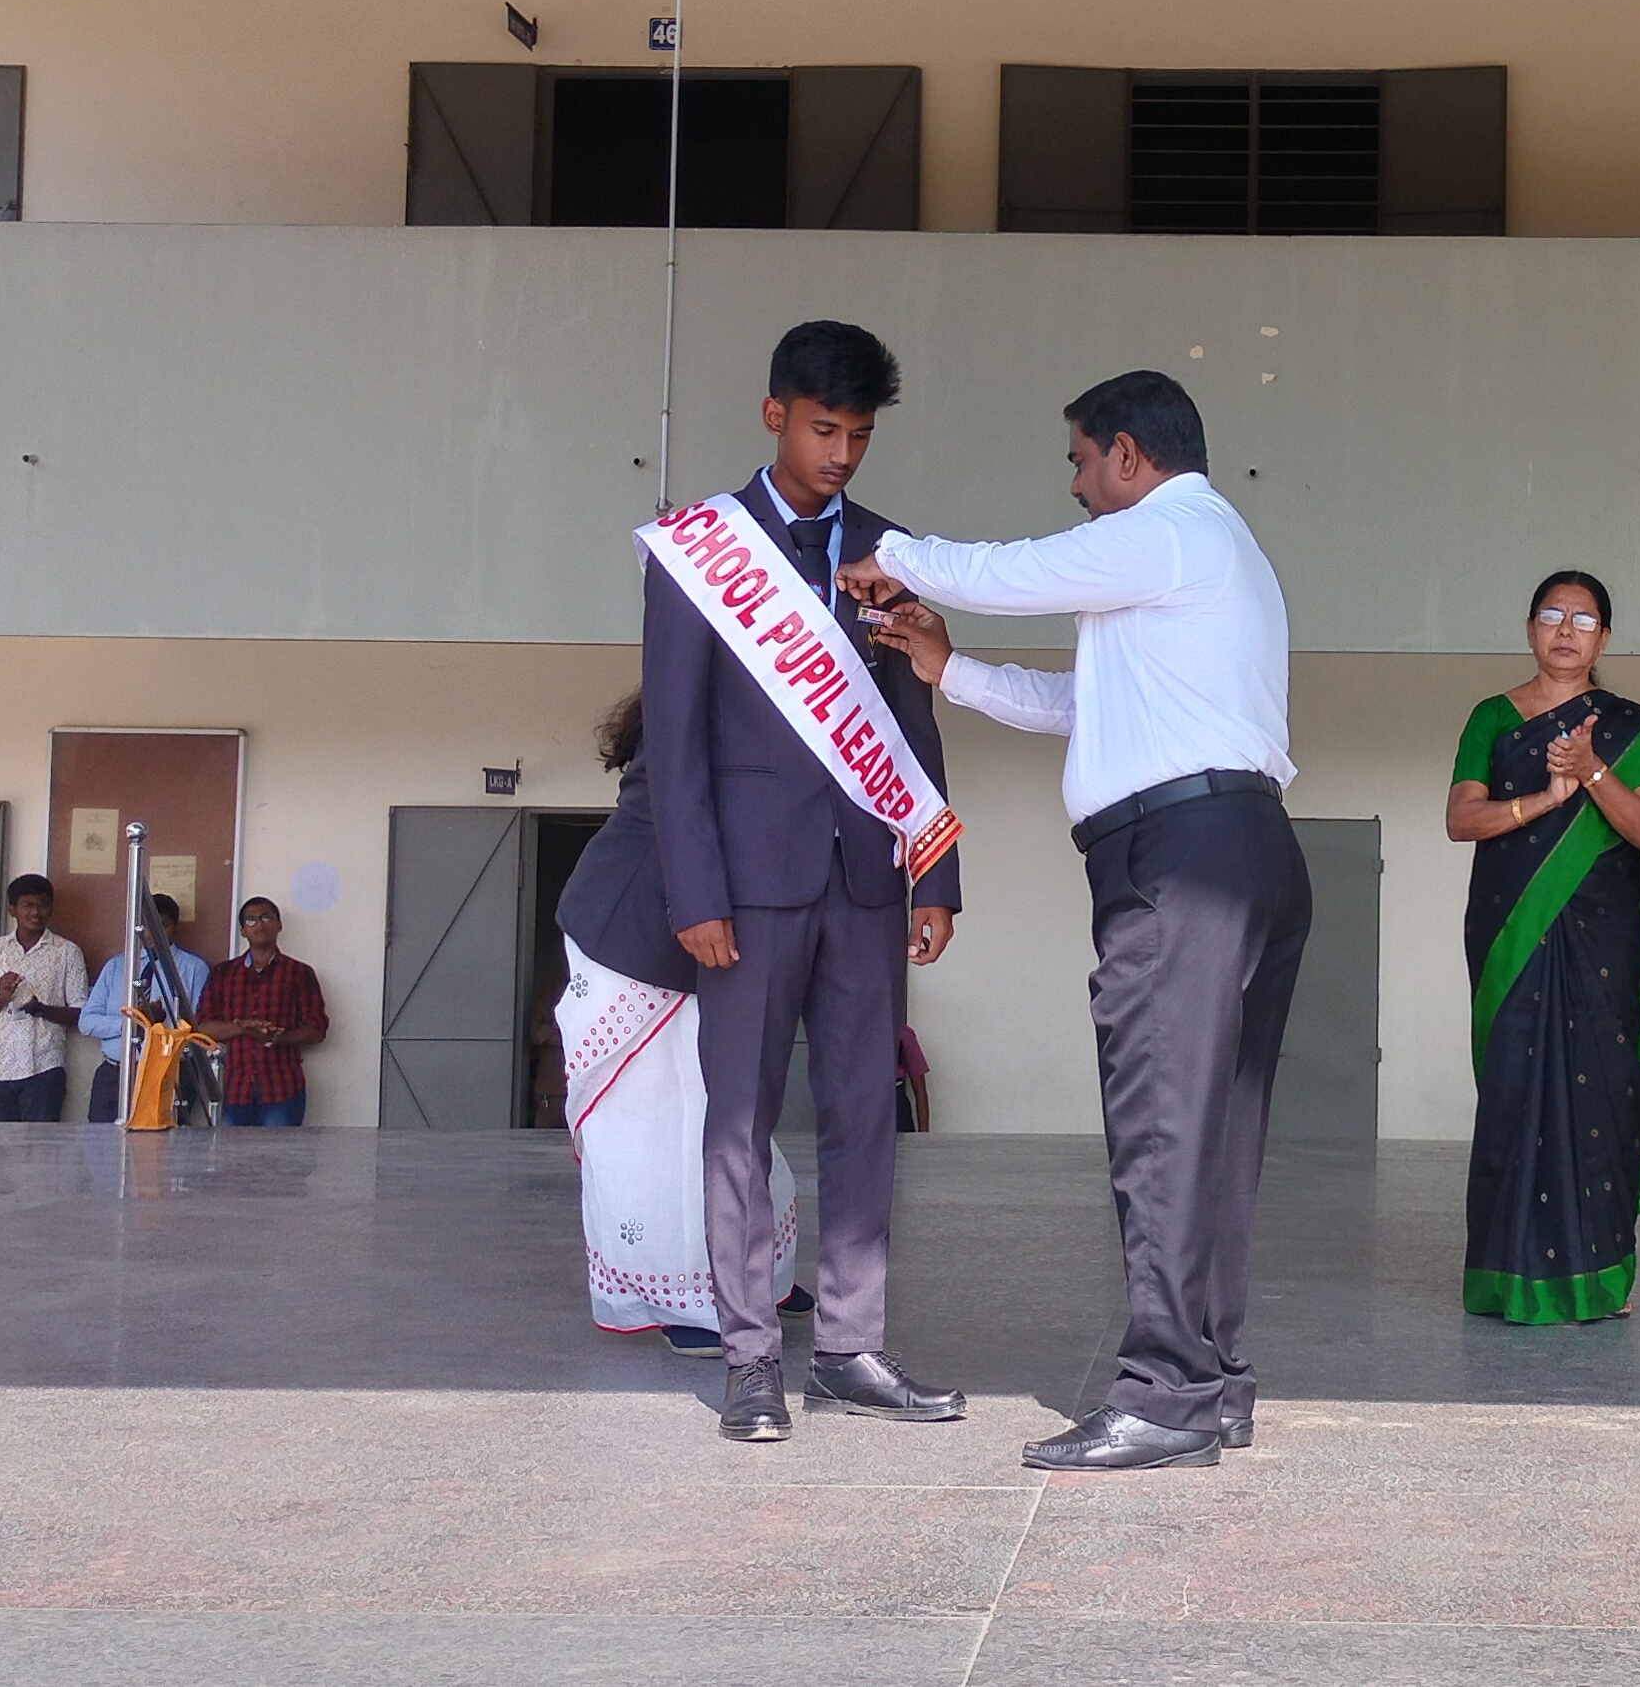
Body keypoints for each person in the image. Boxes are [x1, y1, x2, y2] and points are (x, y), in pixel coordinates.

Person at [854, 369, 1307, 1472]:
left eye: (1078, 461)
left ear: (1129, 455)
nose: (1074, 485)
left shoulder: (1168, 528)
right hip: (1243, 847)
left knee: (1160, 1131)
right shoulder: (1214, 557)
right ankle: (1214, 1380)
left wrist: (899, 555)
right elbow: (1086, 706)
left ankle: (1165, 1392)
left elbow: (1020, 572)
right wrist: (948, 669)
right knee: (1210, 1140)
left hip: (1180, 865)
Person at [641, 318, 969, 1444]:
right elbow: (672, 741)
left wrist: (938, 873)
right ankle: (747, 1358)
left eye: (859, 434)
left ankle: (850, 1345)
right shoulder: (699, 549)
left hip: (870, 879)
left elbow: (913, 718)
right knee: (736, 1120)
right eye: (823, 427)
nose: (840, 453)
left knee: (861, 1118)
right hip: (746, 889)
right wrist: (694, 892)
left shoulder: (889, 548)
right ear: (774, 411)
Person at [1445, 570, 1640, 1325]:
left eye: (1583, 619)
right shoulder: (1492, 718)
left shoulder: (1633, 730)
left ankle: (1599, 1282)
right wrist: (1543, 800)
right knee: (1512, 1095)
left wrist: (1589, 769)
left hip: (1602, 935)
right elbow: (1463, 818)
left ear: (1604, 637)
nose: (1566, 630)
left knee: (1604, 1095)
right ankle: (1503, 1277)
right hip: (1511, 932)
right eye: (1552, 615)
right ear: (1530, 628)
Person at [556, 691, 802, 1356]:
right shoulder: (692, 719)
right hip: (631, 932)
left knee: (724, 1109)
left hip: (686, 937)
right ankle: (682, 1298)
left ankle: (760, 1274)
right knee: (654, 1125)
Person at [80, 894, 212, 1124]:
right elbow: (87, 1021)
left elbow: (200, 1026)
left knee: (164, 1149)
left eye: (163, 926)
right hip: (116, 1072)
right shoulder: (117, 966)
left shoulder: (194, 968)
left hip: (170, 1073)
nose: (153, 934)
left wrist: (161, 1025)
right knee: (103, 1146)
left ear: (175, 927)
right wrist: (135, 1023)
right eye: (146, 926)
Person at [194, 896, 325, 1126]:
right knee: (231, 1160)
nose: (260, 925)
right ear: (243, 930)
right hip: (234, 1088)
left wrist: (275, 1037)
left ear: (279, 924)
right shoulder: (223, 974)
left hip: (282, 1087)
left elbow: (317, 1029)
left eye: (266, 917)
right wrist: (243, 1027)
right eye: (252, 920)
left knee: (279, 1160)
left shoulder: (299, 973)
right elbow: (202, 1027)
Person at [0, 875, 86, 1123]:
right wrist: (2, 997)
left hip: (43, 1068)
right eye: (27, 905)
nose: (36, 912)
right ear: (12, 909)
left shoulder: (67, 952)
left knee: (40, 1151)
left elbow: (80, 1014)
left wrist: (41, 1009)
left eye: (43, 904)